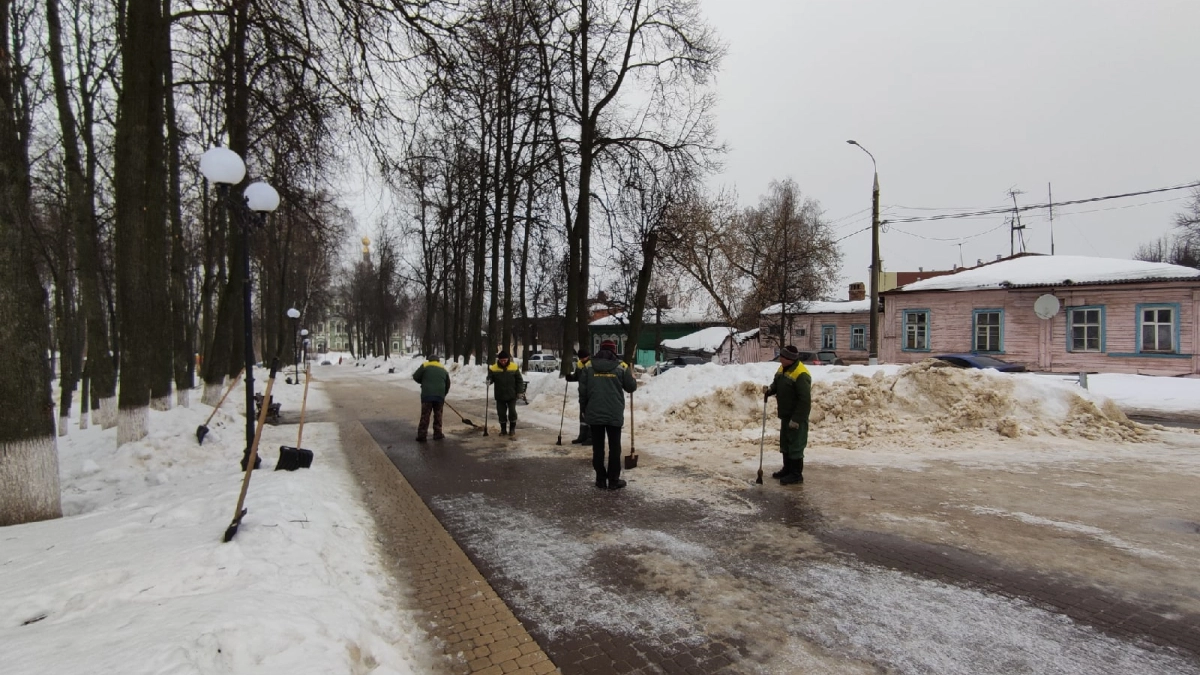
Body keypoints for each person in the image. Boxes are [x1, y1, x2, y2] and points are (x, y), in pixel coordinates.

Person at [580, 339, 637, 490]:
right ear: (614, 350)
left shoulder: (588, 366)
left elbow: (582, 391)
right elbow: (631, 387)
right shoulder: (621, 367)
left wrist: (584, 409)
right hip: (614, 413)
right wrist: (632, 377)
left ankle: (600, 479)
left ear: (600, 349)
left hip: (594, 412)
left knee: (598, 448)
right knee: (615, 448)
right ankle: (613, 480)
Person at [763, 345, 812, 485]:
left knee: (796, 445)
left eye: (782, 357)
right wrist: (770, 390)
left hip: (796, 417)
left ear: (789, 359)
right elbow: (777, 383)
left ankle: (796, 474)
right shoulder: (783, 368)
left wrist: (797, 419)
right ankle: (787, 469)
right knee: (785, 443)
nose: (780, 358)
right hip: (785, 415)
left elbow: (805, 400)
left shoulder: (801, 374)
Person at [412, 354, 450, 442]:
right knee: (438, 415)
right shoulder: (443, 368)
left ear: (429, 360)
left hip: (427, 395)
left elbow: (415, 376)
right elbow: (448, 384)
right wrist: (443, 394)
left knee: (425, 415)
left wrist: (424, 381)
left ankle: (422, 435)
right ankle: (438, 434)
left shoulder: (425, 365)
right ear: (438, 360)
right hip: (439, 395)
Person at [486, 350, 523, 436]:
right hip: (500, 395)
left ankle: (512, 429)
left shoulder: (514, 367)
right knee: (501, 413)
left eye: (505, 360)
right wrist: (489, 381)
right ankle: (503, 430)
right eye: (501, 360)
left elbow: (519, 380)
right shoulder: (494, 368)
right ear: (498, 360)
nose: (503, 362)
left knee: (512, 412)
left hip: (512, 394)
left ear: (508, 359)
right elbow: (490, 378)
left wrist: (519, 391)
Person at [564, 348, 592, 445]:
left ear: (588, 356)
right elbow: (577, 376)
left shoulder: (592, 365)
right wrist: (570, 377)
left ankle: (591, 437)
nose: (582, 360)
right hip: (582, 394)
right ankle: (582, 436)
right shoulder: (579, 365)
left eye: (583, 358)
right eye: (580, 358)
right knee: (582, 416)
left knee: (590, 416)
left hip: (591, 394)